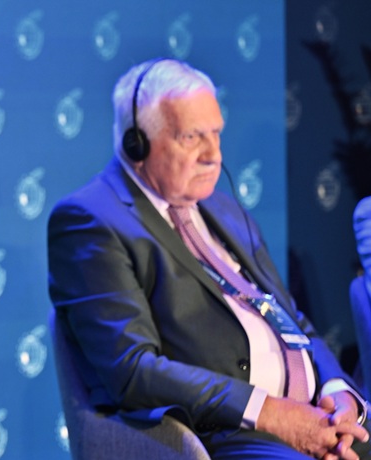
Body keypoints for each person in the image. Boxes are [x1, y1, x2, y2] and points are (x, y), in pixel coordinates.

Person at [47, 58, 371, 459]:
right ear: (137, 144)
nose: (213, 154)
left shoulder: (225, 210)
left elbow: (292, 320)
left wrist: (339, 392)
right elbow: (131, 370)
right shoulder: (90, 220)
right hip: (228, 434)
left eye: (216, 133)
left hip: (312, 417)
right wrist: (267, 412)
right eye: (192, 137)